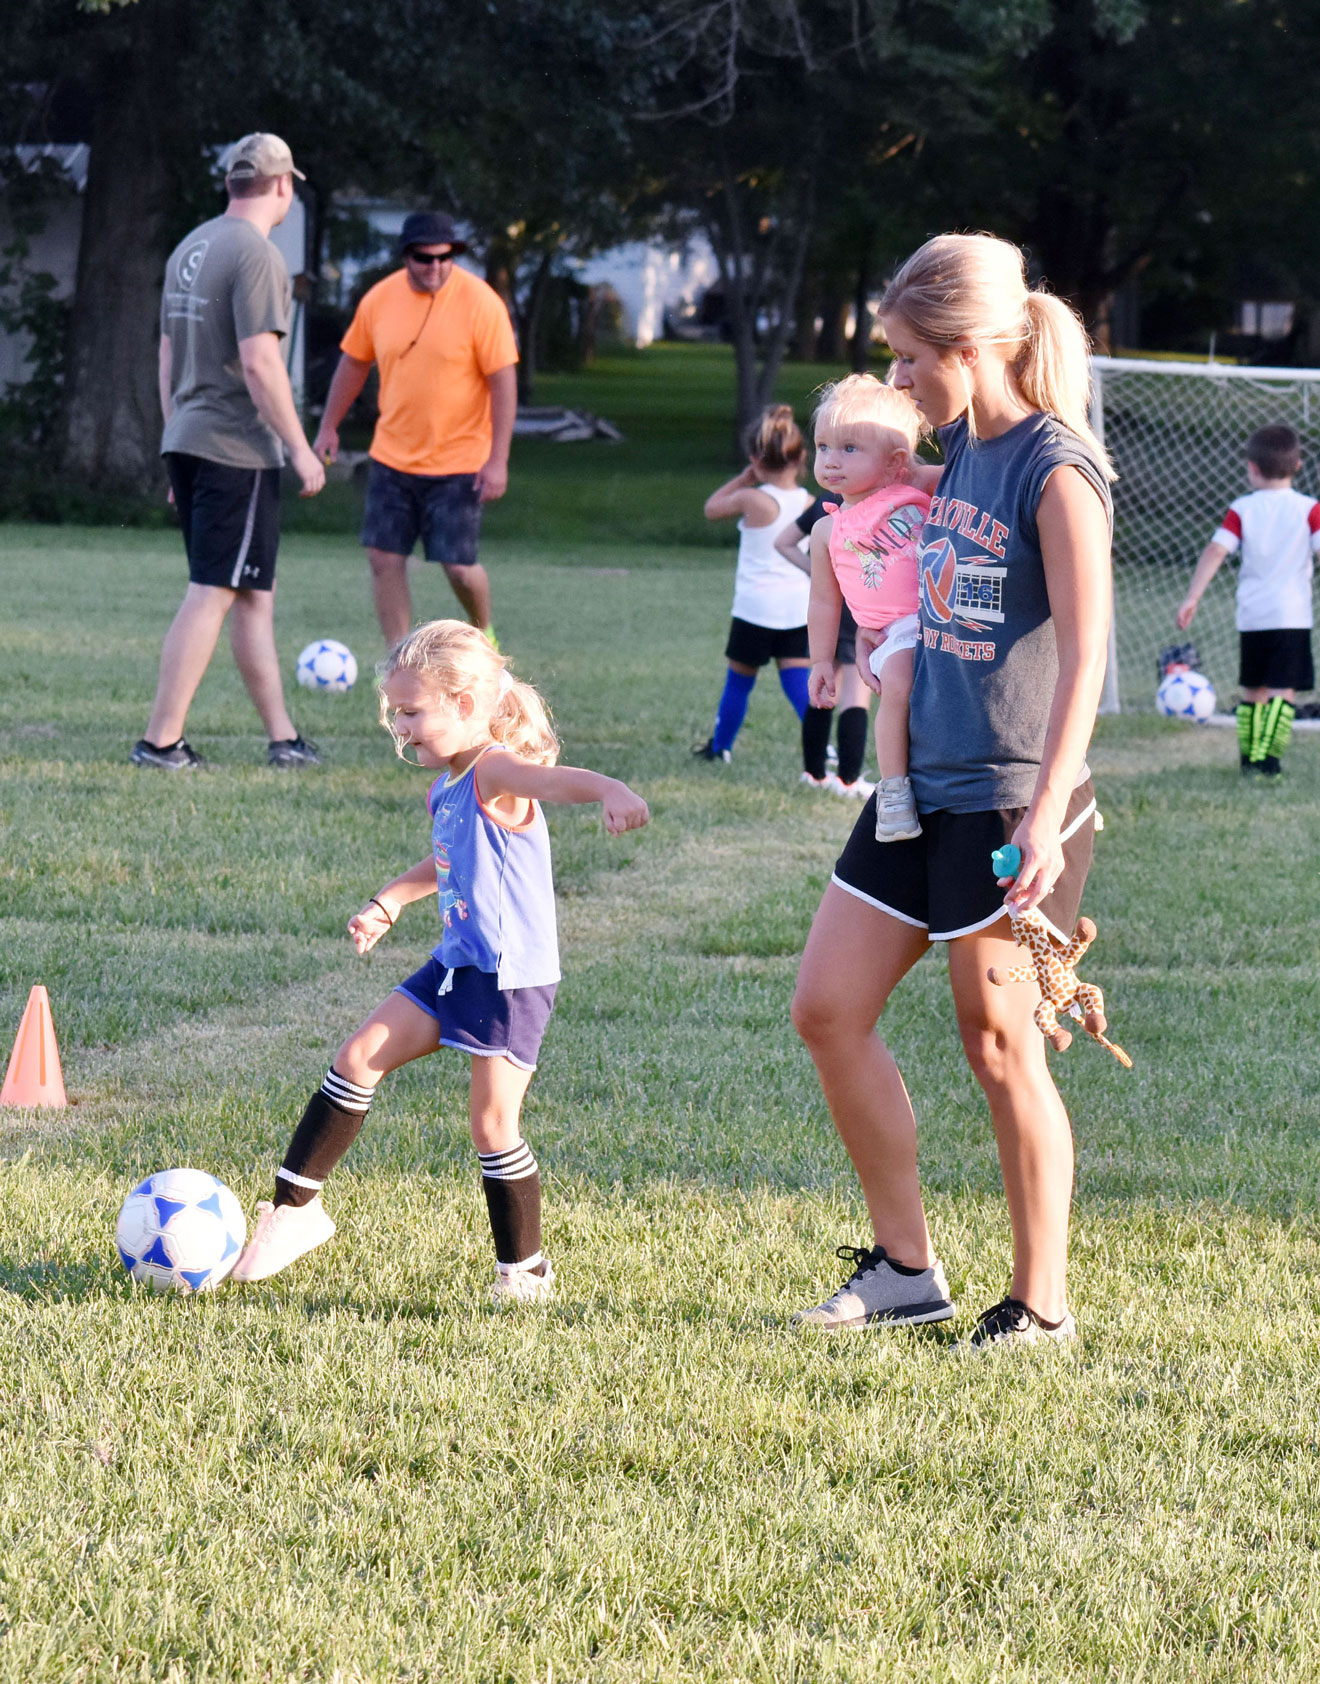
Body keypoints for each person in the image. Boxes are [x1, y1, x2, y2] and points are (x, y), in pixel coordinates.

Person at [789, 232, 1115, 1349]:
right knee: (827, 1008)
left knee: (998, 1043)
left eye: (910, 361)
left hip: (1016, 798)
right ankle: (903, 1268)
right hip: (917, 788)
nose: (897, 385)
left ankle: (1040, 1305)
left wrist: (1044, 815)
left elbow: (1088, 658)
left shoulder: (1056, 468)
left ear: (973, 349)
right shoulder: (958, 453)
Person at [231, 620, 650, 1301]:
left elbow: (555, 781)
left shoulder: (493, 768)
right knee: (357, 1056)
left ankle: (525, 1272)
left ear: (463, 703)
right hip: (456, 963)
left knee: (492, 1124)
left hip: (508, 980)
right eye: (396, 712)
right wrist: (390, 901)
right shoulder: (448, 784)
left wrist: (608, 788)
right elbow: (448, 857)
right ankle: (293, 1212)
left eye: (411, 711)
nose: (400, 726)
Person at [132, 133, 326, 771]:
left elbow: (166, 355)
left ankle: (282, 738)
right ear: (280, 186)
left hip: (189, 436)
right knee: (213, 588)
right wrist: (300, 449)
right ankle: (161, 742)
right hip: (235, 447)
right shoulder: (258, 255)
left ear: (230, 183)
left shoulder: (192, 247)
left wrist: (171, 437)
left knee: (251, 593)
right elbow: (259, 361)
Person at [313, 212, 517, 647]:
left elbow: (503, 381)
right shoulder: (379, 300)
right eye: (425, 259)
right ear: (407, 256)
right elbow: (353, 363)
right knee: (383, 558)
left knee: (458, 566)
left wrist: (498, 459)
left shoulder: (481, 303)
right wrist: (328, 426)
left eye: (445, 258)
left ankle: (484, 636)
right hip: (392, 456)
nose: (436, 268)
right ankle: (398, 658)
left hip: (460, 460)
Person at [806, 375, 933, 840]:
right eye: (823, 447)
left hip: (944, 619)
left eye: (850, 449)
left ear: (895, 462)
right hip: (892, 633)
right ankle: (894, 790)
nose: (831, 460)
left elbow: (966, 477)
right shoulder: (826, 531)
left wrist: (913, 474)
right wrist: (822, 659)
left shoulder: (915, 495)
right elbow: (823, 600)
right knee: (898, 678)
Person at [1176, 423, 1319, 776]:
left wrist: (1193, 596)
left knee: (1252, 688)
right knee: (1282, 690)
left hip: (1252, 616)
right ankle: (1268, 762)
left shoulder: (1242, 508)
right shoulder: (1309, 509)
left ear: (1252, 468)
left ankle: (1248, 759)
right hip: (1292, 616)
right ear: (1298, 466)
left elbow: (1216, 550)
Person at [692, 406, 815, 767]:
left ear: (755, 460)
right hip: (795, 608)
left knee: (739, 683)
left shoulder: (753, 498)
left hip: (755, 609)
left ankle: (720, 747)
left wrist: (745, 478)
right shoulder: (809, 502)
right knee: (798, 683)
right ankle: (822, 747)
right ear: (801, 457)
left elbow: (711, 508)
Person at [775, 498, 873, 798]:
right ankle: (848, 780)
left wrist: (820, 573)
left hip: (826, 613)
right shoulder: (876, 502)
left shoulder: (826, 504)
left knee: (823, 688)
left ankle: (814, 773)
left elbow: (784, 542)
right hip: (861, 610)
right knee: (855, 694)